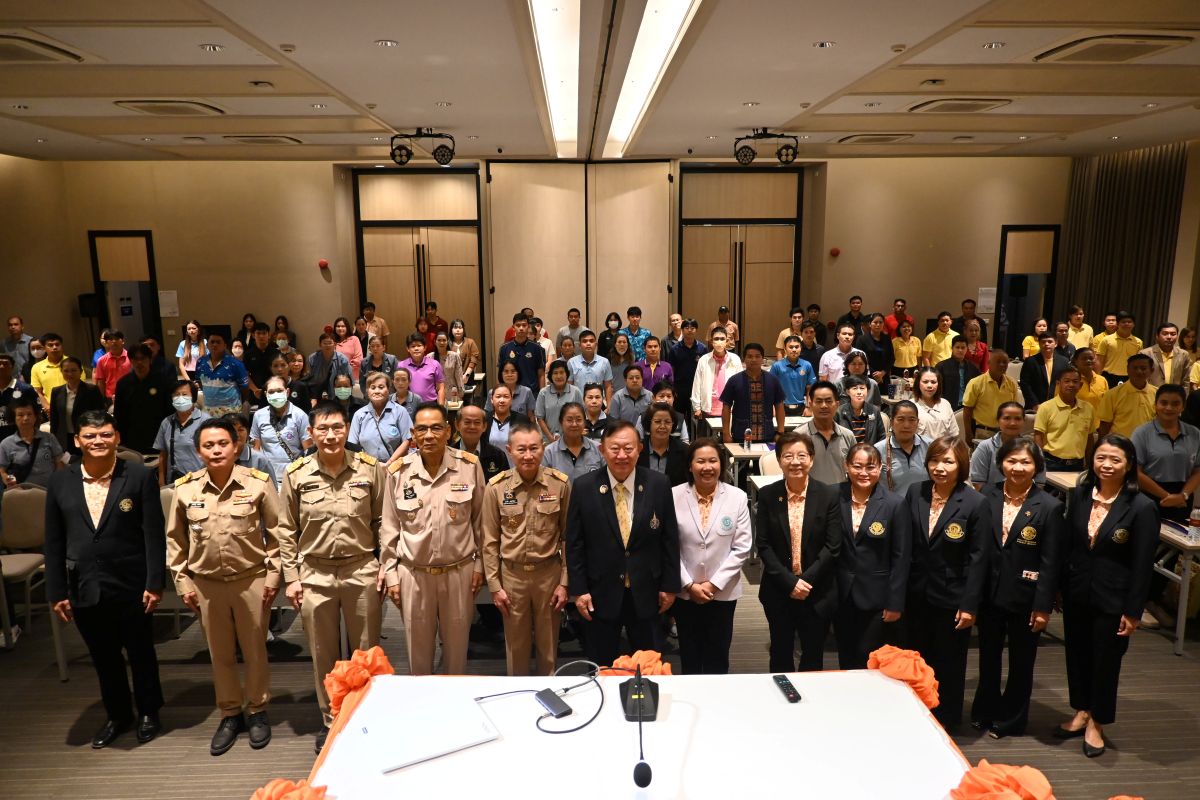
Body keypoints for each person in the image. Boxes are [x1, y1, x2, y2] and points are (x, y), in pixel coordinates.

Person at [44, 410, 165, 748]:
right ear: (77, 441)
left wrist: (155, 582)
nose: (98, 441)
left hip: (132, 582)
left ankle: (149, 712)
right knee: (104, 656)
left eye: (105, 434)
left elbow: (153, 535)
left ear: (117, 438)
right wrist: (56, 591)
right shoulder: (60, 481)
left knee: (141, 652)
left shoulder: (139, 476)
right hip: (84, 583)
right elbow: (53, 540)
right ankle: (118, 714)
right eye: (90, 435)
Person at [166, 417, 281, 755]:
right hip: (207, 584)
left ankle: (257, 709)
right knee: (220, 653)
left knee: (255, 650)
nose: (216, 450)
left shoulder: (258, 484)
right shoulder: (186, 489)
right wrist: (183, 582)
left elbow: (278, 533)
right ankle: (230, 713)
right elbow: (175, 540)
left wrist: (273, 576)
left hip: (251, 579)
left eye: (222, 444)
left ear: (236, 446)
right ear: (198, 451)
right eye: (208, 445)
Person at [278, 401, 385, 752]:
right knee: (323, 654)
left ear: (347, 429)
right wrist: (292, 577)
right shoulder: (296, 474)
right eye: (323, 429)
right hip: (315, 572)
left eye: (337, 427)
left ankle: (365, 718)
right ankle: (332, 719)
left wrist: (384, 565)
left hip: (360, 568)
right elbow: (286, 529)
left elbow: (382, 522)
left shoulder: (370, 469)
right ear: (311, 433)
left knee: (365, 652)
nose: (330, 435)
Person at [1056, 435, 1158, 758]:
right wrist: (1060, 588)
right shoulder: (1080, 495)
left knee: (1106, 661)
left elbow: (1142, 565)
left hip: (1114, 599)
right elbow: (1070, 546)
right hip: (1077, 592)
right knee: (1077, 655)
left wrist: (1134, 611)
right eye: (1101, 458)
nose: (1107, 465)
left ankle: (1097, 723)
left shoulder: (1142, 507)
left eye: (1115, 459)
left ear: (1129, 465)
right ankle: (1081, 710)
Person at [381, 403, 485, 675]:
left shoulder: (469, 466)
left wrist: (480, 565)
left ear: (449, 432)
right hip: (414, 576)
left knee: (457, 658)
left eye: (436, 428)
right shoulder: (398, 472)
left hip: (459, 573)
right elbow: (389, 528)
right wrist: (390, 574)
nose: (429, 435)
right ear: (413, 434)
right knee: (418, 660)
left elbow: (481, 522)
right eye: (422, 429)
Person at [565, 420, 680, 666]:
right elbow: (574, 544)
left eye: (628, 448)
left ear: (640, 449)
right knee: (602, 666)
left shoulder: (659, 484)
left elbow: (670, 539)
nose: (621, 455)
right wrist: (579, 590)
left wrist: (670, 586)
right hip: (599, 593)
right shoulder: (584, 487)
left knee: (647, 667)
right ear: (602, 450)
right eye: (614, 449)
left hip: (648, 591)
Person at [971, 437, 1062, 738]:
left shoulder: (1049, 506)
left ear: (1037, 466)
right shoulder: (987, 497)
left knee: (1022, 662)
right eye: (1011, 461)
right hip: (990, 594)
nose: (1018, 468)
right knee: (988, 657)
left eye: (1025, 462)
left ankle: (1011, 719)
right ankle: (985, 710)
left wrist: (1043, 606)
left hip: (1026, 596)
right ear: (1001, 464)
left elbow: (1051, 561)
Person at [901, 435, 991, 730]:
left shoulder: (975, 502)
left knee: (949, 663)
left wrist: (970, 605)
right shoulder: (916, 492)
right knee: (916, 659)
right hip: (916, 594)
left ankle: (947, 721)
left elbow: (979, 558)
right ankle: (917, 716)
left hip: (953, 597)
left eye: (948, 462)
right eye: (935, 461)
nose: (939, 468)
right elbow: (906, 545)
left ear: (961, 465)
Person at [481, 420, 571, 676]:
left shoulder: (560, 484)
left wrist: (564, 582)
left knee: (549, 647)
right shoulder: (496, 487)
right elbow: (489, 540)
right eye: (521, 449)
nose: (528, 455)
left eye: (534, 448)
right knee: (516, 647)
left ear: (543, 448)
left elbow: (568, 537)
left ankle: (549, 693)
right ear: (510, 451)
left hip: (548, 575)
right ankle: (518, 695)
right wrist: (495, 585)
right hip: (512, 576)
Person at [756, 431, 842, 671]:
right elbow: (763, 545)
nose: (795, 462)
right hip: (778, 589)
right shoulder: (768, 495)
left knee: (813, 654)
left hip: (816, 590)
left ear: (811, 459)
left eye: (802, 456)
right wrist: (790, 583)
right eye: (788, 456)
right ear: (779, 460)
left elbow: (832, 547)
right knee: (780, 652)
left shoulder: (828, 495)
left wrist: (804, 582)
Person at [672, 439, 751, 674]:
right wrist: (688, 584)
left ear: (721, 464)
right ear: (690, 466)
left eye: (713, 461)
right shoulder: (673, 495)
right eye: (700, 461)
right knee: (690, 656)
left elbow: (742, 547)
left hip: (723, 592)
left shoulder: (737, 497)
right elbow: (668, 546)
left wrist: (714, 584)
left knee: (718, 655)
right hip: (686, 592)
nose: (707, 467)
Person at [835, 444, 910, 669]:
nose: (864, 472)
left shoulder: (894, 504)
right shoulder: (832, 496)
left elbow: (901, 557)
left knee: (868, 657)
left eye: (870, 467)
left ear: (880, 468)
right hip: (840, 593)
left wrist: (895, 602)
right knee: (845, 655)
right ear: (846, 466)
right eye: (857, 466)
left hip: (877, 596)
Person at [1131, 384, 1200, 524]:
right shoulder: (1142, 433)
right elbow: (1135, 472)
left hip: (1183, 499)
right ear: (1155, 405)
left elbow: (1197, 470)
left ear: (1183, 406)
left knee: (1180, 536)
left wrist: (1182, 496)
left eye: (1175, 404)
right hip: (1149, 496)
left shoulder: (1195, 433)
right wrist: (1167, 496)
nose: (1169, 408)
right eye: (1164, 403)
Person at [971, 402, 1047, 489]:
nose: (1012, 423)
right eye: (1007, 418)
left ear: (1024, 421)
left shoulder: (1034, 449)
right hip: (990, 496)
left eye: (1018, 419)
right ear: (998, 421)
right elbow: (978, 483)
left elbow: (1039, 483)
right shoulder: (985, 447)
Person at [251, 376, 313, 482]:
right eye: (271, 392)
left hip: (294, 477)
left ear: (287, 392)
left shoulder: (300, 416)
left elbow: (308, 450)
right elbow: (255, 449)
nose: (276, 394)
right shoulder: (259, 415)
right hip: (267, 478)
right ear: (266, 394)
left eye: (279, 391)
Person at [720, 343, 785, 444]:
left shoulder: (773, 380)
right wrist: (726, 433)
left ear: (762, 359)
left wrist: (780, 432)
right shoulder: (734, 380)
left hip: (767, 434)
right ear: (744, 359)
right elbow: (726, 407)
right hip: (740, 434)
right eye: (750, 356)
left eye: (757, 356)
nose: (754, 360)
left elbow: (779, 405)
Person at [113, 345, 172, 454]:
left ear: (150, 359)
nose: (139, 362)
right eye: (135, 359)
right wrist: (120, 440)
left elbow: (170, 411)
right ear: (131, 361)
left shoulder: (163, 381)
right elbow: (119, 414)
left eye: (143, 358)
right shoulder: (123, 383)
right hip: (132, 437)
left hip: (158, 435)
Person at [794, 381, 856, 485]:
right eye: (818, 401)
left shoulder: (848, 436)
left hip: (840, 493)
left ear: (837, 405)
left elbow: (854, 470)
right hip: (809, 493)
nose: (824, 406)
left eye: (828, 401)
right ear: (810, 404)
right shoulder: (798, 435)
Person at [1034, 366, 1095, 472]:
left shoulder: (1088, 408)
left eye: (1075, 382)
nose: (1071, 385)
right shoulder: (1046, 407)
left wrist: (1089, 463)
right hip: (1051, 463)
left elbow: (1089, 438)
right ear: (1058, 384)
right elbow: (1038, 436)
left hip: (1078, 464)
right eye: (1067, 381)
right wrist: (1040, 462)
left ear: (1080, 385)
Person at [349, 371, 412, 464]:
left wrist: (389, 463)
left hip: (395, 467)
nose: (377, 391)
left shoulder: (400, 411)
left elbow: (407, 440)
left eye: (381, 387)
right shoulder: (359, 415)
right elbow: (352, 445)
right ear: (367, 391)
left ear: (389, 389)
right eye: (373, 388)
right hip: (366, 467)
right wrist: (372, 464)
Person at [154, 380, 210, 486]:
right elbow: (163, 455)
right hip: (173, 482)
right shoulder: (167, 422)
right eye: (176, 395)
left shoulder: (206, 421)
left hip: (200, 482)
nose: (180, 398)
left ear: (193, 397)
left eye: (184, 394)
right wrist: (161, 482)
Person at [0, 398, 63, 488]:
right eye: (20, 415)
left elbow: (59, 463)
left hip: (48, 491)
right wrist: (8, 480)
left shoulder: (49, 438)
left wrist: (57, 485)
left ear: (35, 416)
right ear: (13, 418)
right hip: (20, 492)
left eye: (29, 414)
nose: (26, 418)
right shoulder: (6, 444)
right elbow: (2, 470)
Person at [49, 356, 105, 458]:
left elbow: (100, 416)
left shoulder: (92, 390)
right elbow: (54, 418)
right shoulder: (56, 391)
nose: (70, 374)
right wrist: (53, 439)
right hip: (64, 438)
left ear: (81, 371)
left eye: (73, 370)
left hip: (87, 436)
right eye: (66, 371)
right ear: (61, 372)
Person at [963, 349, 1021, 440]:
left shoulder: (1012, 383)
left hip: (1005, 432)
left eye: (1005, 362)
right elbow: (967, 410)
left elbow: (1014, 408)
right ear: (989, 363)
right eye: (998, 362)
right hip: (983, 431)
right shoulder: (976, 383)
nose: (1002, 365)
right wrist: (968, 433)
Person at [541, 401, 605, 481]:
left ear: (584, 422)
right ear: (561, 422)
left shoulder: (598, 449)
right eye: (569, 420)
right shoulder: (549, 453)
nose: (574, 424)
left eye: (579, 420)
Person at [876, 400, 930, 493]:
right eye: (900, 419)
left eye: (912, 420)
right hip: (891, 501)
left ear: (917, 422)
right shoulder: (878, 450)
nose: (906, 425)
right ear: (892, 422)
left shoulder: (930, 446)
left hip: (924, 500)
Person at [1096, 353, 1156, 438]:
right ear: (1127, 370)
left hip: (1148, 443)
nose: (1139, 371)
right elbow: (1105, 425)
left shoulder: (1157, 394)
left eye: (1143, 368)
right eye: (1135, 368)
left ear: (1151, 370)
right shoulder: (1112, 394)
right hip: (1120, 444)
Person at [690, 327, 743, 422]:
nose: (719, 342)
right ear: (711, 341)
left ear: (727, 341)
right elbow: (697, 384)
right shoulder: (704, 360)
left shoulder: (735, 359)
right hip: (707, 408)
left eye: (722, 339)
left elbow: (740, 385)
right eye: (716, 339)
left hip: (729, 409)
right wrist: (696, 407)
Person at [196, 331, 249, 417]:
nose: (215, 344)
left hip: (231, 412)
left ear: (225, 345)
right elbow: (200, 382)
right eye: (212, 342)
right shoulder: (200, 362)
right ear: (207, 345)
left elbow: (244, 389)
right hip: (209, 412)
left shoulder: (236, 364)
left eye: (218, 342)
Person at [452, 403, 509, 481]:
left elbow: (505, 485)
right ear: (457, 425)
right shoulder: (448, 454)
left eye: (477, 422)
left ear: (484, 426)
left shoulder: (498, 455)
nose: (472, 427)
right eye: (467, 422)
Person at [638, 403, 689, 486]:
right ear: (648, 423)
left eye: (667, 422)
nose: (662, 426)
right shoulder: (638, 449)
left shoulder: (685, 451)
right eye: (657, 422)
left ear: (673, 424)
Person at [667, 318, 707, 422]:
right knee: (679, 418)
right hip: (680, 389)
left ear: (696, 330)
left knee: (696, 419)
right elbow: (671, 370)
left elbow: (706, 371)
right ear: (682, 330)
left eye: (692, 328)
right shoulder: (675, 349)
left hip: (697, 389)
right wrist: (673, 388)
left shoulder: (702, 348)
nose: (689, 330)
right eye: (686, 328)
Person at [1020, 331, 1071, 410]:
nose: (1046, 344)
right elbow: (1025, 384)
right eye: (1043, 342)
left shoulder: (1064, 361)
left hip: (1058, 405)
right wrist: (1034, 404)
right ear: (1039, 344)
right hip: (1035, 406)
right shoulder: (1030, 361)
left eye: (1050, 342)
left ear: (1056, 344)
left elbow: (1066, 383)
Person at [498, 313, 546, 396]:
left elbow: (541, 374)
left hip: (532, 393)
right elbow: (500, 374)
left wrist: (542, 396)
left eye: (524, 325)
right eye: (518, 325)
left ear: (528, 326)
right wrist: (500, 392)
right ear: (513, 327)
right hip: (510, 393)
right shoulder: (504, 348)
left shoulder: (537, 348)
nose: (521, 328)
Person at [535, 359, 582, 440]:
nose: (559, 376)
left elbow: (581, 415)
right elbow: (540, 418)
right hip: (548, 440)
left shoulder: (575, 391)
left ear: (567, 374)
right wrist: (551, 438)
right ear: (550, 375)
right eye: (555, 373)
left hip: (571, 439)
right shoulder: (543, 393)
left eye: (561, 372)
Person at [1094, 311, 1143, 387]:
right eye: (1123, 322)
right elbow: (1099, 361)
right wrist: (1098, 378)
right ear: (1117, 324)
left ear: (1134, 324)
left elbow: (1138, 363)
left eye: (1129, 322)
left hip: (1129, 378)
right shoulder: (1106, 340)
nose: (1126, 324)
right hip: (1108, 377)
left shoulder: (1138, 342)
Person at [30, 331, 77, 410]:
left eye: (57, 344)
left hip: (74, 407)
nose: (54, 347)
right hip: (50, 409)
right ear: (44, 348)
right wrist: (47, 407)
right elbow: (37, 392)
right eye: (50, 345)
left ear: (62, 346)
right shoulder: (36, 367)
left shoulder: (73, 363)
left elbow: (80, 385)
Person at [771, 335, 816, 417]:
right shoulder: (777, 366)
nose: (794, 350)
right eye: (791, 347)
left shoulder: (807, 365)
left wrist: (809, 407)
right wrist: (772, 407)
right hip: (781, 408)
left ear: (801, 348)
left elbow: (810, 388)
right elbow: (771, 388)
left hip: (802, 409)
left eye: (797, 347)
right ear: (785, 349)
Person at [225, 412, 276, 483]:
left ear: (248, 433)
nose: (236, 434)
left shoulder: (260, 460)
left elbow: (271, 487)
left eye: (240, 430)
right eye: (231, 430)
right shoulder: (216, 456)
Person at [835, 375, 885, 445]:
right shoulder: (838, 412)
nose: (859, 392)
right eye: (855, 388)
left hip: (870, 450)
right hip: (847, 451)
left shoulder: (874, 410)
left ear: (868, 391)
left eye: (862, 388)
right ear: (847, 392)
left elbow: (882, 437)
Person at [935, 337, 982, 410]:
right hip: (947, 407)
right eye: (957, 347)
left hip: (967, 407)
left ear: (967, 349)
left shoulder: (973, 368)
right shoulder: (941, 366)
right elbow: (937, 389)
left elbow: (978, 388)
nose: (960, 350)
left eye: (963, 348)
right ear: (952, 348)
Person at [913, 367, 959, 440]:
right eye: (925, 382)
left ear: (938, 384)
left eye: (933, 382)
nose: (929, 385)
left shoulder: (945, 404)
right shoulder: (911, 405)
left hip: (943, 446)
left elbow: (954, 434)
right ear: (918, 383)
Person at [569, 329, 614, 404]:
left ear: (596, 344)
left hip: (598, 404)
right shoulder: (572, 362)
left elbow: (608, 386)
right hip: (578, 404)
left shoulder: (604, 362)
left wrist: (609, 405)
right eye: (584, 341)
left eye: (591, 341)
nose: (588, 344)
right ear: (579, 345)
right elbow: (569, 386)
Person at [1139, 322, 1189, 388]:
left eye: (1173, 334)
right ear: (1157, 336)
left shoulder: (1184, 354)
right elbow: (1140, 378)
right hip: (1151, 393)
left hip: (1174, 393)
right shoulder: (1145, 354)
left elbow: (1185, 380)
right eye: (1165, 334)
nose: (1169, 337)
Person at [306, 332, 353, 402]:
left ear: (335, 344)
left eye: (330, 343)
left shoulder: (342, 359)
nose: (327, 345)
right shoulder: (312, 358)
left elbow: (348, 380)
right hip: (315, 392)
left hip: (337, 393)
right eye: (325, 343)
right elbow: (309, 378)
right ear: (320, 345)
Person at [242, 323, 279, 409]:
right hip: (255, 393)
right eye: (258, 333)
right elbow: (245, 375)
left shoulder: (276, 353)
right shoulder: (248, 354)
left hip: (274, 391)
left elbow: (280, 373)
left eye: (264, 333)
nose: (261, 336)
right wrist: (255, 390)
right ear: (253, 335)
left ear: (269, 335)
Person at [0, 353, 35, 443]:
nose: (1, 366)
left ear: (12, 367)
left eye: (5, 364)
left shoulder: (26, 389)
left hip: (20, 441)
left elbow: (37, 415)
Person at [1072, 347, 1108, 428]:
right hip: (1075, 426)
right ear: (1075, 361)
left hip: (1098, 427)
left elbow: (1106, 405)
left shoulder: (1102, 380)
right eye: (1084, 358)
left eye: (1091, 358)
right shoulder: (1070, 381)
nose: (1088, 361)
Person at [93, 330, 131, 402]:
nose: (114, 341)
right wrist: (101, 401)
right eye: (110, 339)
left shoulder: (131, 358)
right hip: (110, 399)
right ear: (106, 343)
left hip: (130, 396)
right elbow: (101, 383)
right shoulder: (101, 361)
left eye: (117, 338)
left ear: (123, 341)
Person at [855, 313, 894, 385]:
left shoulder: (887, 338)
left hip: (884, 376)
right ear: (870, 324)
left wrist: (882, 373)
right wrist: (874, 374)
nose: (878, 325)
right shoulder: (861, 339)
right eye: (875, 322)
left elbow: (892, 358)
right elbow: (859, 358)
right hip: (867, 376)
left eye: (880, 322)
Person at [433, 331, 464, 402]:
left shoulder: (454, 356)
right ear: (435, 342)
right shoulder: (429, 357)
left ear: (447, 342)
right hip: (435, 395)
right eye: (439, 340)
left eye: (444, 340)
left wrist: (461, 393)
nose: (441, 342)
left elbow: (459, 376)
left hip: (452, 393)